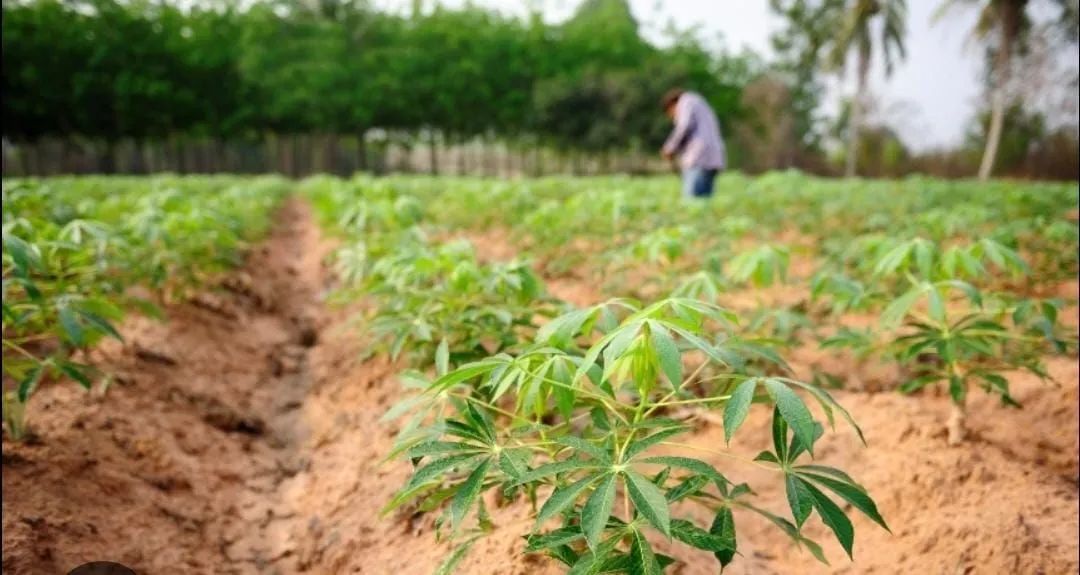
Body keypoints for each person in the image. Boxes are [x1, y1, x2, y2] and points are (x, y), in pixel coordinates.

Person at [660, 88, 726, 199]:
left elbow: (684, 126)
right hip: (713, 157)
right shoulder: (699, 103)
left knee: (691, 202)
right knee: (705, 203)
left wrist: (669, 148)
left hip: (698, 158)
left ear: (672, 105)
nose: (673, 117)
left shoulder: (686, 101)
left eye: (671, 113)